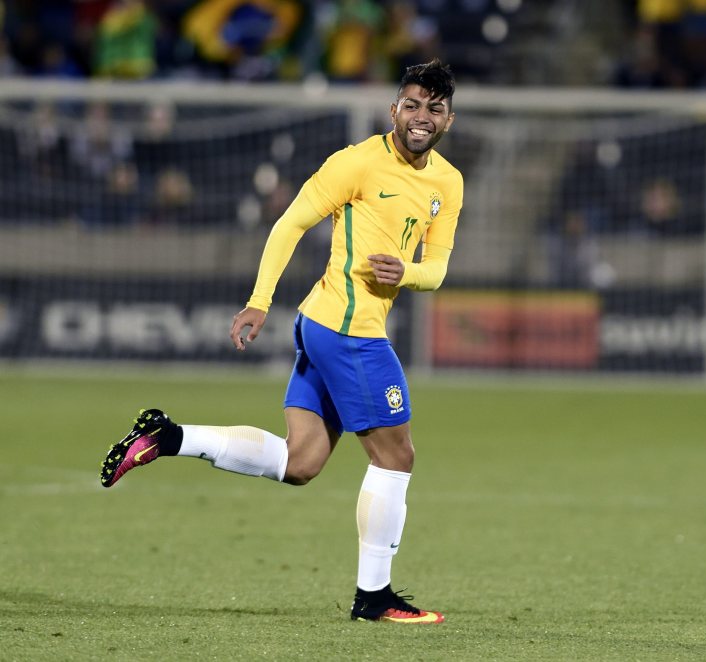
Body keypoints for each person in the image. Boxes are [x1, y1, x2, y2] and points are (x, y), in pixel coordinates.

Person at [98, 59, 462, 624]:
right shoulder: (355, 163)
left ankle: (169, 437)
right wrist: (260, 299)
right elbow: (290, 222)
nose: (421, 117)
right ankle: (374, 597)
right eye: (412, 105)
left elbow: (436, 268)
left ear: (448, 119)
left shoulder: (448, 182)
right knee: (397, 455)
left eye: (433, 109)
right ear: (394, 109)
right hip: (347, 332)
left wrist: (406, 275)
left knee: (301, 461)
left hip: (324, 326)